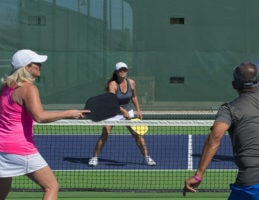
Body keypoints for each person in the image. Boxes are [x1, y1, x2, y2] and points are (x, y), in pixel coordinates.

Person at [184, 62, 259, 199]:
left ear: (234, 85)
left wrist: (198, 176)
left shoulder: (229, 109)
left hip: (250, 187)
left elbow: (215, 137)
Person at [0, 49, 90, 200]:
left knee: (2, 190)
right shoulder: (29, 89)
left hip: (2, 149)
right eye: (36, 63)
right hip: (21, 149)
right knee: (52, 186)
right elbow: (39, 116)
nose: (40, 65)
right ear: (27, 67)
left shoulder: (6, 88)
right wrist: (69, 113)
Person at [88, 62, 156, 166]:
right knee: (105, 133)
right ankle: (94, 157)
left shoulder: (131, 83)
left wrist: (138, 110)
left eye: (125, 70)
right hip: (112, 111)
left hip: (128, 110)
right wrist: (123, 112)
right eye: (121, 70)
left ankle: (146, 157)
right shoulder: (113, 84)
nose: (123, 72)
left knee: (137, 135)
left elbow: (134, 96)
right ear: (116, 72)